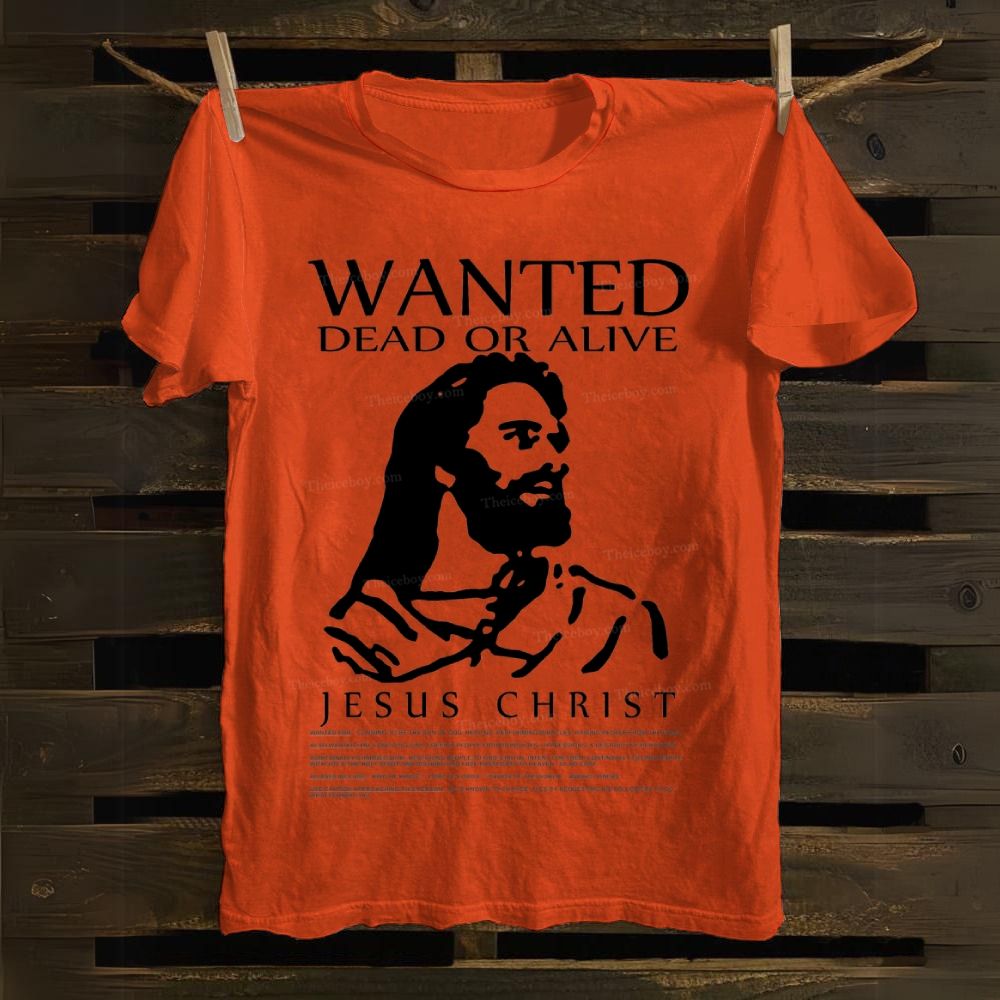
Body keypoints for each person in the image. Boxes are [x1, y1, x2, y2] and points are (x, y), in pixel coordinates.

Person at [325, 352, 668, 683]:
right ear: (441, 463)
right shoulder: (356, 638)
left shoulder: (612, 621)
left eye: (556, 440)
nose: (555, 461)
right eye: (522, 436)